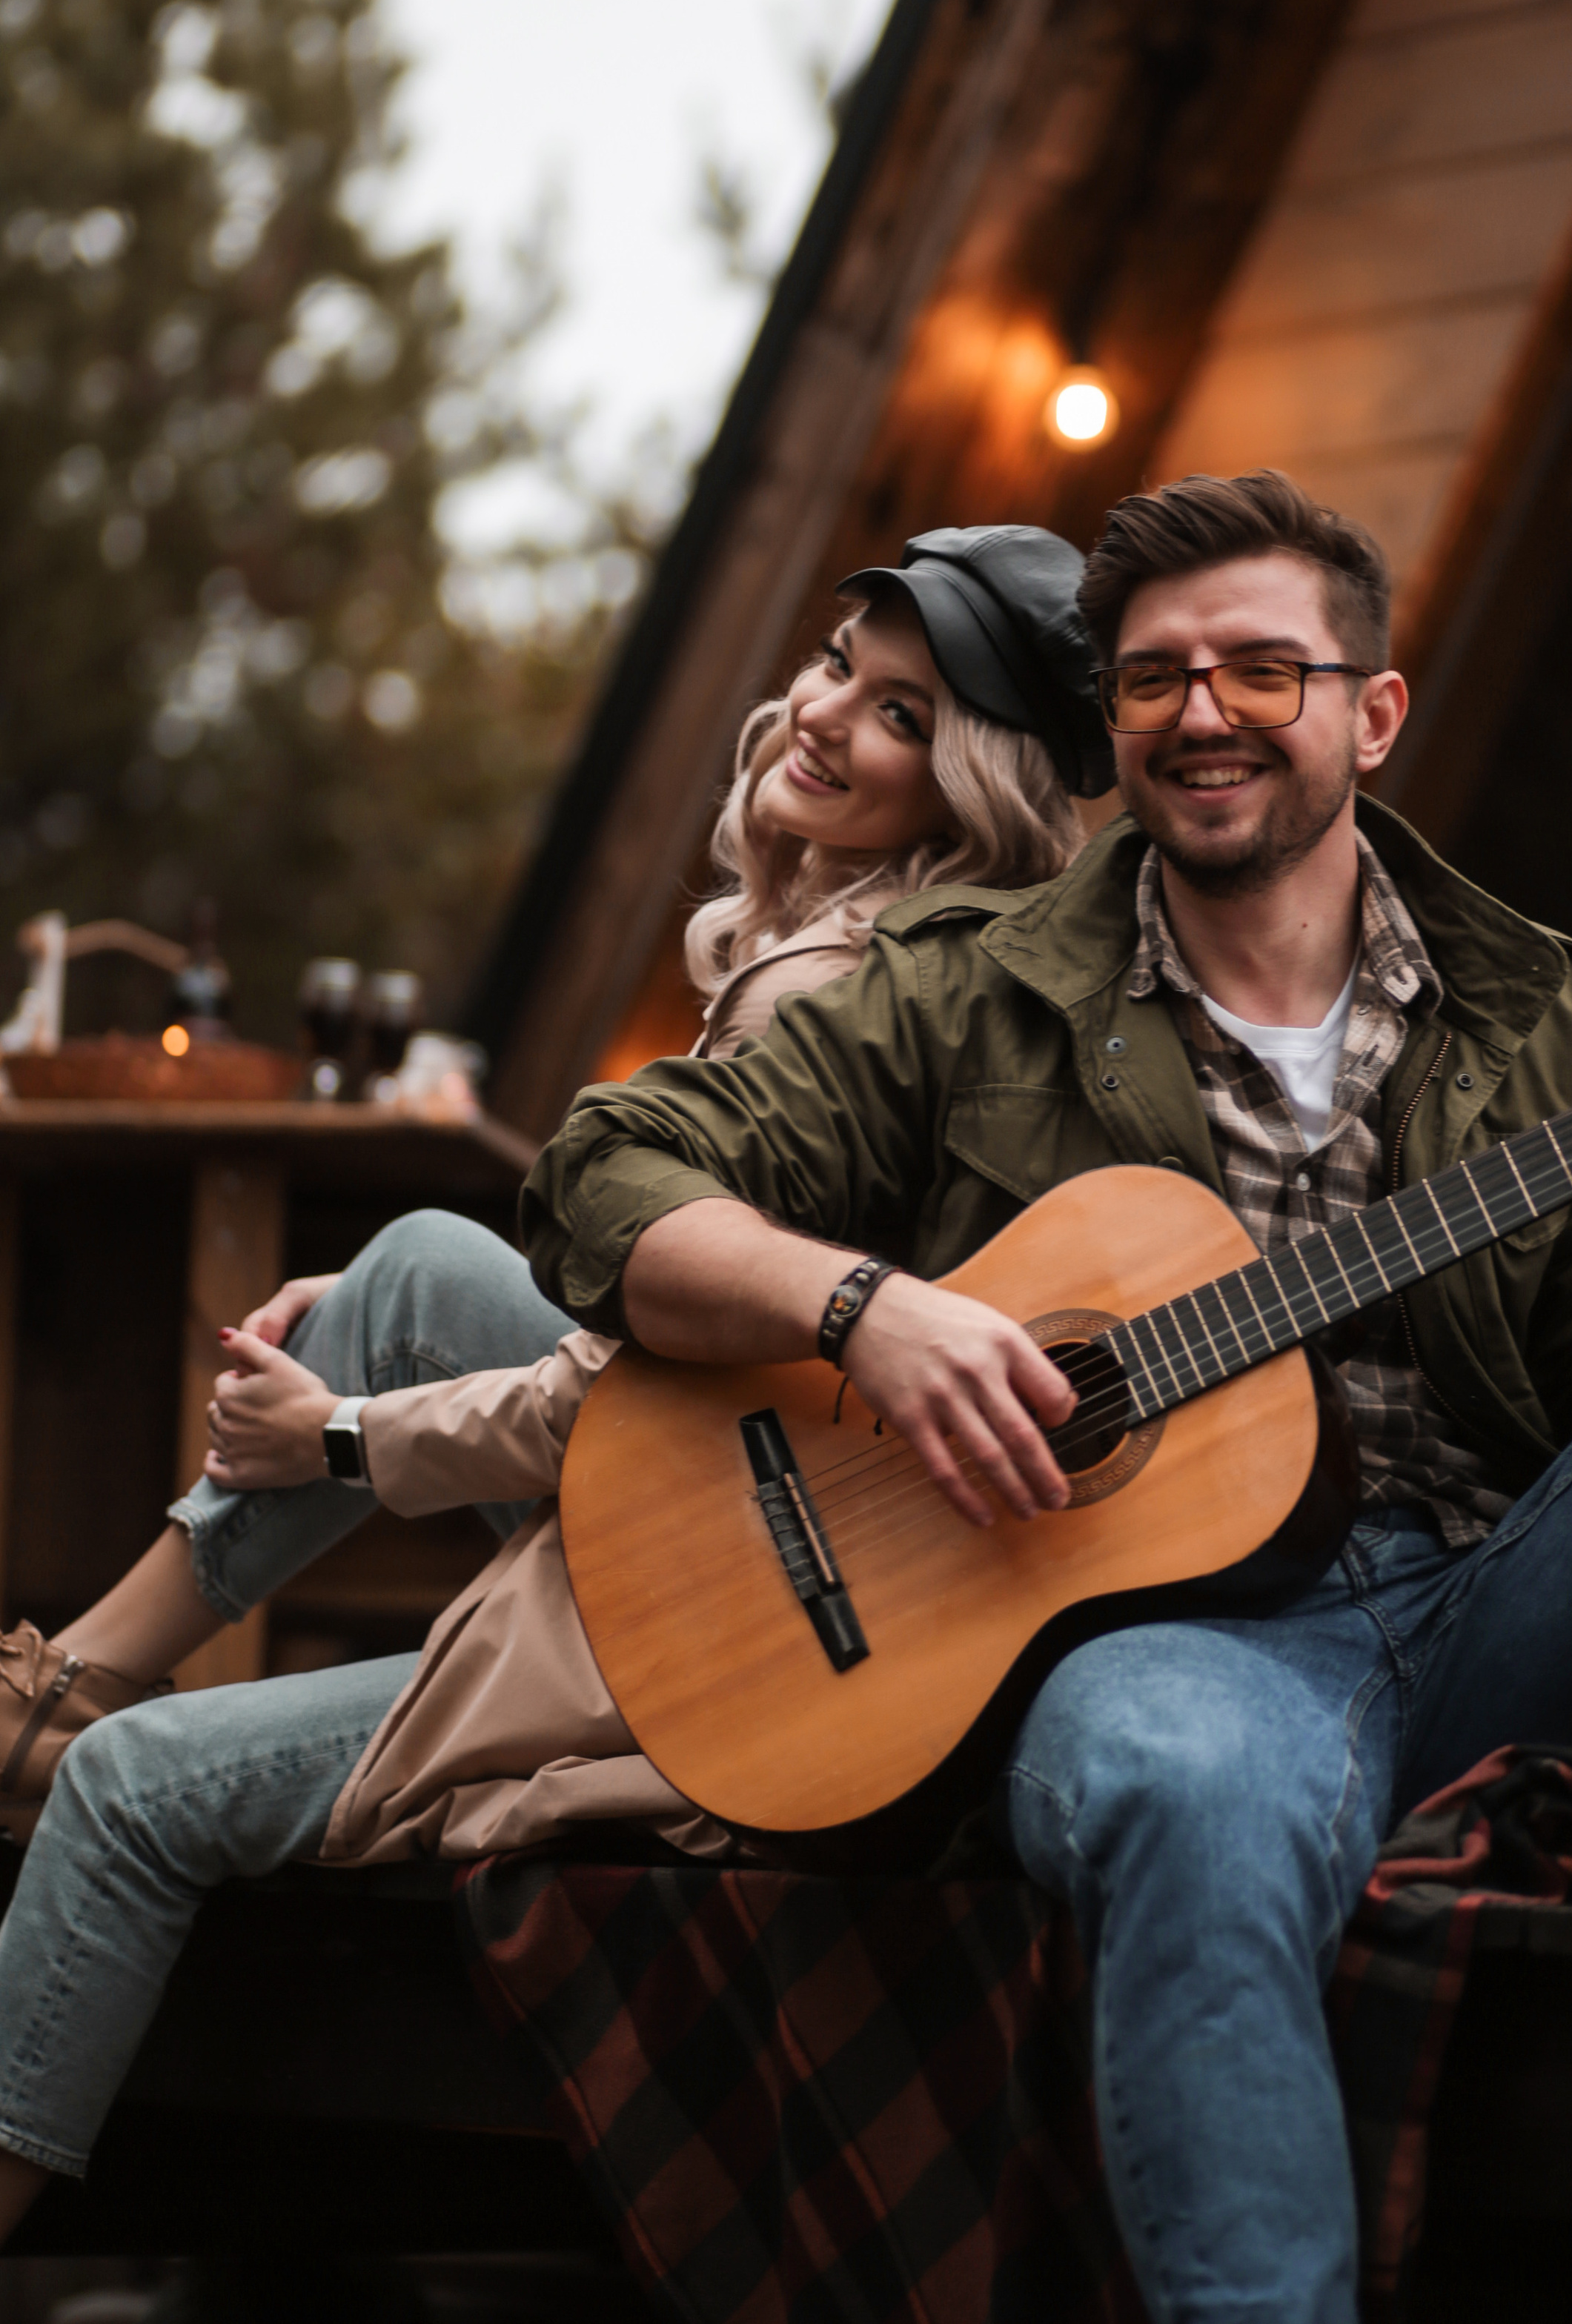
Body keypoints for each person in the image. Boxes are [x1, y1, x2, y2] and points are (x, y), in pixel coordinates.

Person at [503, 467, 1572, 2324]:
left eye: (1260, 668)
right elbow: (602, 1171)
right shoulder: (962, 989)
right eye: (1153, 678)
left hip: (1499, 1589)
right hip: (1183, 1646)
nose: (1202, 714)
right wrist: (868, 1312)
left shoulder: (1551, 1010)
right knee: (1169, 1779)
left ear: (1368, 712)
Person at [0, 524, 1114, 2234]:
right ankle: (73, 1669)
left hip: (743, 1613)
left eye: (901, 713)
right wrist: (369, 1363)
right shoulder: (919, 945)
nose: (826, 715)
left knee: (132, 1792)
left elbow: (626, 1405)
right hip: (780, 1491)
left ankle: (67, 1723)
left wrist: (346, 1429)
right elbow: (669, 1371)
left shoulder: (842, 987)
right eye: (840, 664)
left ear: (968, 783)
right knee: (419, 1262)